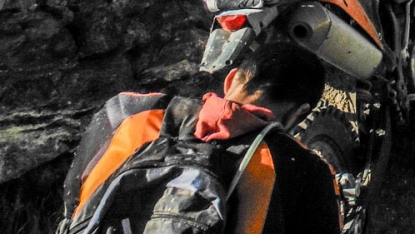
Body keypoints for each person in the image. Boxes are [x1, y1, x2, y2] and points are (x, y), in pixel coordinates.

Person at [61, 43, 342, 234]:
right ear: (298, 113)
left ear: (232, 79)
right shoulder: (307, 169)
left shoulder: (128, 112)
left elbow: (74, 204)